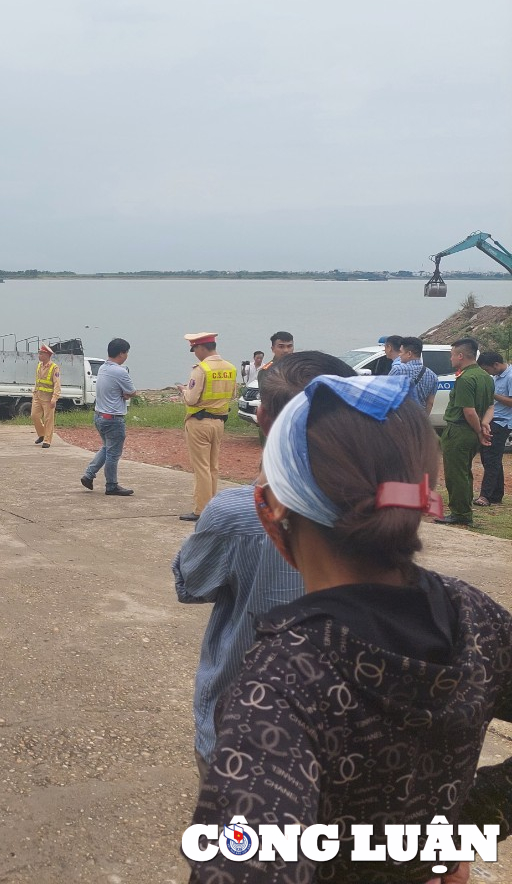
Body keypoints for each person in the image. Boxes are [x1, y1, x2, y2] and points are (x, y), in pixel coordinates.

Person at [189, 373, 512, 883]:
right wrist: (458, 826)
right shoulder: (477, 616)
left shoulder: (279, 685)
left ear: (270, 509)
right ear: (421, 497)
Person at [172, 351, 356, 778]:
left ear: (264, 419)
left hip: (240, 728)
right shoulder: (385, 511)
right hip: (341, 739)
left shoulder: (238, 514)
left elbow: (191, 585)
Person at [178, 332, 237, 522]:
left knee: (201, 467)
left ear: (201, 348)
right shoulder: (230, 368)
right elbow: (233, 394)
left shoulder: (201, 369)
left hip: (199, 422)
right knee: (213, 466)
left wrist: (184, 391)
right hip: (219, 421)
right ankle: (212, 506)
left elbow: (193, 398)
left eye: (195, 349)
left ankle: (201, 510)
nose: (195, 353)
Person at [436, 337, 495, 526]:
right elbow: (490, 407)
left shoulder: (465, 378)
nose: (451, 359)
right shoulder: (485, 377)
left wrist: (479, 430)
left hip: (460, 431)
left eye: (452, 355)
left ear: (461, 356)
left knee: (456, 474)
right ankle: (464, 509)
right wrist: (484, 425)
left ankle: (460, 513)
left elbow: (468, 411)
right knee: (464, 472)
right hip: (470, 432)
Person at [80, 338, 137, 496]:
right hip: (113, 418)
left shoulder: (104, 368)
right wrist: (125, 394)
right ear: (121, 353)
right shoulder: (120, 371)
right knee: (113, 453)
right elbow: (132, 392)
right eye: (126, 353)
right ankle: (111, 485)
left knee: (107, 448)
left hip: (100, 416)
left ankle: (89, 475)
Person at [476, 350, 511, 507]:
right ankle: (496, 494)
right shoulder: (496, 376)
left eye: (487, 369)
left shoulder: (510, 377)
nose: (486, 372)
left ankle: (486, 495)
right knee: (490, 458)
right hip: (492, 420)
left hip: (501, 422)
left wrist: (493, 394)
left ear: (496, 365)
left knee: (491, 459)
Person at [392, 336, 439, 414]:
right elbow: (430, 403)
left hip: (401, 417)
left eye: (401, 352)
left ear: (409, 354)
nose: (399, 355)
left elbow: (388, 395)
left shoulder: (397, 370)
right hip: (420, 418)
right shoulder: (433, 376)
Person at [31, 344, 60, 449]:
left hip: (48, 398)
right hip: (37, 396)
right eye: (39, 353)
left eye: (41, 353)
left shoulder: (54, 367)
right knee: (34, 416)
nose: (39, 355)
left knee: (48, 419)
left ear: (47, 355)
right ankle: (42, 434)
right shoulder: (39, 365)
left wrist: (54, 398)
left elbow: (57, 384)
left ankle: (47, 440)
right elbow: (37, 381)